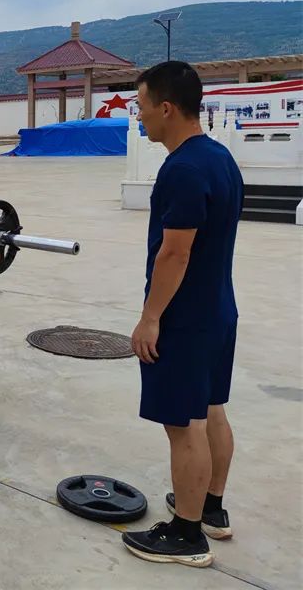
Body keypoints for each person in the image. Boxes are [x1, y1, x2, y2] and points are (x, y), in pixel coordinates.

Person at [121, 61, 243, 568]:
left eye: (142, 105)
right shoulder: (220, 158)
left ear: (166, 108)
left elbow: (175, 253)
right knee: (211, 408)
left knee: (182, 423)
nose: (140, 115)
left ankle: (187, 534)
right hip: (218, 309)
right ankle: (210, 508)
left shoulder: (183, 169)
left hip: (184, 318)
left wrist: (151, 318)